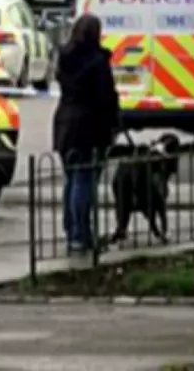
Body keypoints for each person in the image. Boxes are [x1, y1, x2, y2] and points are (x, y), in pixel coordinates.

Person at [52, 13, 120, 255]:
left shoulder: (65, 58)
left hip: (64, 125)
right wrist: (114, 123)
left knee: (72, 180)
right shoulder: (97, 62)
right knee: (85, 181)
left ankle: (72, 232)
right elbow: (105, 97)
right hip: (89, 127)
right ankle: (82, 235)